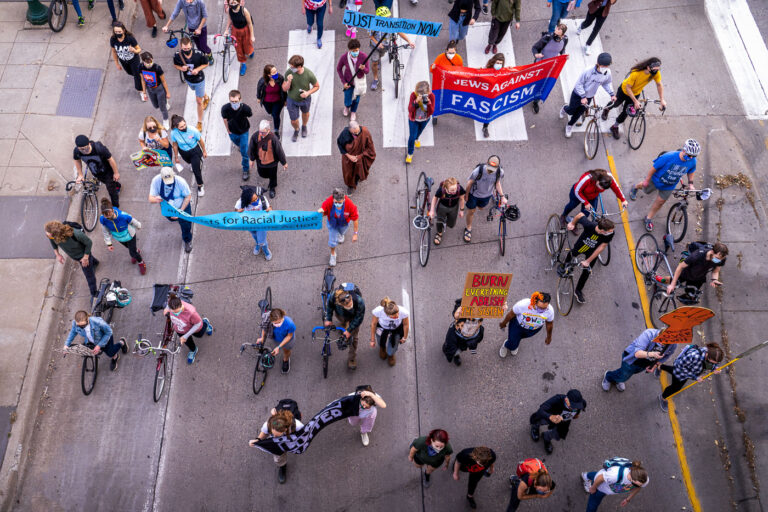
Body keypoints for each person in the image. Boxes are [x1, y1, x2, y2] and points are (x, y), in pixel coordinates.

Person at [629, 139, 700, 232]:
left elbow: (691, 171)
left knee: (660, 201)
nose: (691, 157)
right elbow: (654, 168)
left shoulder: (693, 161)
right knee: (645, 189)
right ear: (684, 150)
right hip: (656, 181)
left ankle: (648, 218)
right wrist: (647, 180)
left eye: (693, 156)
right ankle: (635, 187)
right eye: (689, 155)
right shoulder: (669, 156)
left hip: (669, 185)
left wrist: (691, 184)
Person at [603, 57, 666, 139]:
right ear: (648, 67)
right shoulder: (636, 73)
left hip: (636, 93)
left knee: (626, 112)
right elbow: (628, 88)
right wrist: (635, 101)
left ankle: (614, 127)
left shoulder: (656, 73)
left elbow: (659, 84)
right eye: (654, 69)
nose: (656, 71)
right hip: (624, 91)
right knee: (616, 103)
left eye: (658, 69)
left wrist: (662, 99)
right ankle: (606, 109)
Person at [562, 212, 615, 304]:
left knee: (587, 270)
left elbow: (601, 247)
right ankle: (564, 266)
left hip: (592, 251)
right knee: (572, 254)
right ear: (603, 231)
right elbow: (580, 215)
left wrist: (588, 261)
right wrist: (572, 223)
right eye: (610, 231)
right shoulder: (590, 225)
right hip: (581, 245)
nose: (612, 232)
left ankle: (578, 290)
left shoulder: (610, 233)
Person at [602, 328, 676, 392]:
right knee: (624, 374)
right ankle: (609, 377)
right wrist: (652, 354)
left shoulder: (673, 344)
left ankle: (619, 379)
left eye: (665, 343)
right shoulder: (649, 334)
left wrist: (654, 365)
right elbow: (637, 353)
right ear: (661, 333)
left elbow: (666, 356)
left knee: (628, 373)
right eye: (662, 340)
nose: (662, 344)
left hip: (644, 364)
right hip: (632, 360)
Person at [561, 52, 615, 138]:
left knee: (579, 113)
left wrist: (611, 94)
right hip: (578, 94)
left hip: (589, 97)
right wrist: (582, 96)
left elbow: (606, 83)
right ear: (599, 64)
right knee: (571, 110)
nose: (606, 68)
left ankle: (569, 125)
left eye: (607, 66)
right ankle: (564, 108)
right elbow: (578, 84)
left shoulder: (607, 73)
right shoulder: (588, 71)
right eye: (605, 66)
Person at [658, 342, 724, 411]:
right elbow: (680, 367)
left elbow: (710, 364)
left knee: (673, 370)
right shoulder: (693, 356)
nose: (715, 364)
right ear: (709, 357)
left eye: (717, 363)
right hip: (681, 373)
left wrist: (714, 368)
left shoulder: (709, 353)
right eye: (714, 363)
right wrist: (696, 377)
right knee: (676, 388)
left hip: (687, 371)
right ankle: (663, 397)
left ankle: (660, 367)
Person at [45, 220, 100, 299]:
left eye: (49, 235)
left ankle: (94, 293)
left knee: (89, 276)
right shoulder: (52, 236)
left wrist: (85, 257)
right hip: (75, 256)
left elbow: (89, 243)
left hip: (83, 256)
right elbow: (52, 242)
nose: (48, 236)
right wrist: (57, 254)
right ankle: (95, 263)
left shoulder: (76, 234)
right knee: (91, 262)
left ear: (57, 234)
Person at [250, 407, 304, 483]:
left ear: (286, 429)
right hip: (279, 446)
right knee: (278, 458)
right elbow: (264, 433)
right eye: (273, 434)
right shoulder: (268, 424)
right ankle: (282, 466)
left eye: (277, 436)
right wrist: (257, 440)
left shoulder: (298, 426)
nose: (274, 437)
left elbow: (303, 435)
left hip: (291, 441)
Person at [656, 242, 728, 299]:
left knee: (691, 295)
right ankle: (658, 281)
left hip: (699, 277)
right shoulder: (697, 256)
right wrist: (672, 284)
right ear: (712, 252)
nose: (718, 261)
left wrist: (714, 279)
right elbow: (680, 266)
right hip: (686, 273)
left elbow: (716, 271)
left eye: (720, 259)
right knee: (670, 281)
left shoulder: (721, 259)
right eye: (717, 258)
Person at [368, 7, 415, 91]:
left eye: (387, 16)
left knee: (381, 55)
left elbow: (399, 32)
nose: (386, 18)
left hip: (385, 46)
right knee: (374, 62)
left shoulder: (391, 23)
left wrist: (409, 41)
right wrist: (377, 43)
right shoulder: (373, 24)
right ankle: (375, 79)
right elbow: (371, 36)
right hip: (375, 46)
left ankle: (379, 60)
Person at [148, 167, 194, 252]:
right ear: (161, 177)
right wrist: (156, 199)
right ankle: (177, 220)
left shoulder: (181, 181)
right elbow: (150, 198)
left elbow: (188, 196)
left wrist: (180, 211)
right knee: (172, 219)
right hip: (168, 208)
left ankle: (187, 239)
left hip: (182, 207)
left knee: (186, 224)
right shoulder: (156, 181)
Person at [463, 155, 507, 243]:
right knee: (471, 211)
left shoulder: (500, 172)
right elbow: (469, 183)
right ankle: (468, 228)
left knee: (481, 208)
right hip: (473, 195)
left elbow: (497, 183)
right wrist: (466, 195)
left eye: (493, 168)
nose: (491, 170)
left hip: (487, 196)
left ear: (497, 167)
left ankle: (479, 206)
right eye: (490, 167)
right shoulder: (478, 171)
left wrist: (502, 196)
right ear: (487, 163)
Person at [561, 169, 626, 226]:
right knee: (571, 205)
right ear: (598, 180)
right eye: (599, 186)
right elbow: (577, 191)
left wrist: (623, 200)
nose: (600, 189)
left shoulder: (609, 178)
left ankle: (574, 223)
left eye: (603, 188)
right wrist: (586, 202)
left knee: (585, 214)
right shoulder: (587, 178)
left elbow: (616, 188)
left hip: (592, 196)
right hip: (578, 194)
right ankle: (564, 215)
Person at [529, 389, 587, 453]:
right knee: (540, 420)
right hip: (551, 415)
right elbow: (541, 410)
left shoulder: (580, 404)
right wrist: (550, 417)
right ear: (566, 400)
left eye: (577, 406)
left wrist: (577, 414)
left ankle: (546, 438)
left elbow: (580, 408)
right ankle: (535, 427)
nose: (575, 408)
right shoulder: (557, 399)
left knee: (558, 435)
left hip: (564, 421)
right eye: (573, 406)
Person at [498, 292, 554, 358]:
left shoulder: (550, 311)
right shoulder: (523, 305)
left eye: (544, 308)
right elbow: (511, 314)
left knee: (518, 338)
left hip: (533, 330)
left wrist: (549, 337)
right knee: (513, 342)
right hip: (517, 326)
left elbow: (549, 324)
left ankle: (513, 342)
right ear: (534, 302)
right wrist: (504, 323)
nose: (542, 310)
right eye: (539, 307)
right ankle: (507, 345)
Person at [324, 283, 366, 370]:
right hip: (341, 315)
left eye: (351, 303)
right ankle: (344, 325)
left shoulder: (359, 301)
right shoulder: (333, 296)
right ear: (339, 304)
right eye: (347, 306)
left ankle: (352, 358)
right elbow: (330, 307)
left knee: (353, 339)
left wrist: (349, 330)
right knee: (343, 322)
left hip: (353, 318)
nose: (350, 305)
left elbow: (359, 318)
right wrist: (328, 319)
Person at [99, 199, 146, 275]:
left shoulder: (123, 216)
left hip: (130, 236)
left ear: (113, 210)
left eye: (109, 214)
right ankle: (136, 251)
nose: (108, 217)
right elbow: (105, 232)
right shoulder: (103, 220)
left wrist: (138, 226)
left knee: (132, 252)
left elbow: (132, 221)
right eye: (105, 215)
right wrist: (109, 244)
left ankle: (141, 262)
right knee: (130, 248)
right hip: (119, 238)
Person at [164, 291, 213, 364]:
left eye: (177, 312)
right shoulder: (171, 303)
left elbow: (198, 324)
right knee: (188, 342)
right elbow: (168, 305)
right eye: (173, 312)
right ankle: (193, 350)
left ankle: (205, 323)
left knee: (199, 334)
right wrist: (166, 309)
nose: (176, 314)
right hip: (180, 329)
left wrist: (186, 336)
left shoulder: (191, 312)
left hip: (193, 327)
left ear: (181, 305)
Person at [581, 459, 649, 511]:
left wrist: (628, 499)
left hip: (607, 480)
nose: (639, 486)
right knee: (593, 505)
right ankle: (588, 481)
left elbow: (638, 487)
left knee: (602, 476)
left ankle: (586, 476)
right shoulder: (614, 475)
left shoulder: (643, 478)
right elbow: (600, 478)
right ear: (631, 480)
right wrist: (593, 488)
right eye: (636, 484)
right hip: (601, 487)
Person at [173, 38, 210, 131]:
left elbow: (206, 63)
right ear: (181, 47)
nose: (187, 50)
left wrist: (197, 69)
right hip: (188, 79)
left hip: (199, 79)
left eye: (188, 48)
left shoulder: (198, 53)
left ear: (191, 46)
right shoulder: (177, 55)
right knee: (198, 92)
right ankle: (206, 97)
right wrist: (182, 68)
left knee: (198, 101)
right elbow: (175, 65)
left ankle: (200, 122)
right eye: (184, 49)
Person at [73, 135, 121, 208]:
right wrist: (80, 174)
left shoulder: (99, 148)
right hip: (96, 172)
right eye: (81, 149)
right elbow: (77, 160)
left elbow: (110, 159)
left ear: (89, 143)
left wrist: (116, 173)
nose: (84, 151)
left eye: (86, 148)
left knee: (111, 190)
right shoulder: (77, 151)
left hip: (107, 171)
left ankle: (115, 208)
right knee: (109, 183)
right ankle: (117, 185)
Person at [530, 24, 568, 113]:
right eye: (556, 29)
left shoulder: (565, 40)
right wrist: (536, 55)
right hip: (539, 64)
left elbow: (562, 50)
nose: (555, 35)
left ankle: (536, 101)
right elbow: (535, 48)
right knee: (534, 81)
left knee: (542, 85)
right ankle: (529, 94)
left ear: (562, 36)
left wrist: (564, 56)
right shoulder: (547, 37)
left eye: (558, 34)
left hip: (550, 67)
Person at [318, 188, 359, 267]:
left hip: (344, 224)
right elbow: (323, 211)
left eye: (339, 203)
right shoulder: (329, 201)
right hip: (332, 224)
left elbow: (355, 219)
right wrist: (320, 212)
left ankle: (341, 234)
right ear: (333, 199)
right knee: (332, 242)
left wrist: (355, 234)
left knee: (342, 232)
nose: (337, 204)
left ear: (344, 199)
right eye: (336, 202)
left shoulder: (350, 205)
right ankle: (333, 255)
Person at [284, 55, 320, 142]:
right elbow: (284, 88)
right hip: (292, 100)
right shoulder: (289, 72)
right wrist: (289, 81)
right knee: (293, 120)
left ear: (299, 67)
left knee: (305, 113)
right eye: (290, 66)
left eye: (292, 67)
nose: (291, 68)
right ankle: (296, 129)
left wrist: (308, 93)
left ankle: (304, 126)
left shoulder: (309, 74)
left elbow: (316, 86)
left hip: (305, 100)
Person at [170, 114, 207, 196]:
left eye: (184, 125)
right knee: (189, 162)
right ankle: (194, 164)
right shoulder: (173, 133)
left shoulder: (193, 130)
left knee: (196, 170)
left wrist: (204, 151)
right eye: (181, 127)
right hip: (183, 152)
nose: (184, 127)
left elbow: (200, 140)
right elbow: (175, 145)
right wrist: (176, 157)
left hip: (195, 151)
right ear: (176, 127)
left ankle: (200, 186)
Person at [249, 120, 287, 196]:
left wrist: (284, 162)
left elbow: (279, 151)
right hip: (260, 161)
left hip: (272, 163)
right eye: (260, 132)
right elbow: (252, 148)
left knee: (273, 176)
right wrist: (252, 159)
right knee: (262, 174)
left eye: (263, 132)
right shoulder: (255, 137)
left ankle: (272, 187)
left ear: (268, 130)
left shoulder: (274, 139)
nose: (261, 134)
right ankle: (270, 180)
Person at [221, 89, 253, 180]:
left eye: (236, 101)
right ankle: (241, 146)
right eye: (232, 101)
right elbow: (225, 119)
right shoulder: (225, 109)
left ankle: (245, 169)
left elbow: (249, 114)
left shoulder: (246, 108)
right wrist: (228, 130)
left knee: (245, 153)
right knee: (236, 142)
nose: (234, 103)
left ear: (240, 100)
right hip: (232, 132)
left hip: (244, 132)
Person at [337, 120, 376, 193]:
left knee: (359, 171)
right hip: (348, 159)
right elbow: (340, 145)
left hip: (361, 157)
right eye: (354, 133)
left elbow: (370, 146)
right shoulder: (344, 134)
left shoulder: (364, 131)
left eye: (358, 131)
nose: (357, 134)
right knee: (348, 173)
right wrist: (349, 156)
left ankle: (356, 180)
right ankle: (350, 186)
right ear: (349, 130)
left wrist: (359, 156)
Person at [430, 40, 463, 126]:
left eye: (453, 52)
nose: (451, 54)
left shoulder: (458, 58)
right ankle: (435, 115)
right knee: (437, 98)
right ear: (446, 51)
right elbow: (432, 70)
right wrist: (433, 67)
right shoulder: (440, 57)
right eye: (450, 52)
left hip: (452, 83)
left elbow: (461, 71)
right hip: (441, 83)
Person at [235, 186, 272, 261]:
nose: (256, 201)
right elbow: (235, 210)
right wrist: (238, 211)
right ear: (247, 201)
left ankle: (265, 250)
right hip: (250, 224)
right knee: (254, 236)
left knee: (262, 241)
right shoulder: (241, 202)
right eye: (253, 201)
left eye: (256, 198)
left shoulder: (262, 199)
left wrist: (269, 210)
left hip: (261, 224)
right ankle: (258, 244)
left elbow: (270, 208)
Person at [369, 297, 409, 367]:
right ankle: (382, 348)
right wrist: (372, 340)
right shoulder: (378, 311)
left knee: (394, 345)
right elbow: (373, 324)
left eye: (397, 314)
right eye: (394, 317)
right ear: (386, 314)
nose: (397, 316)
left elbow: (406, 325)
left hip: (396, 329)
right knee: (380, 341)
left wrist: (404, 337)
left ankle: (390, 354)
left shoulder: (403, 312)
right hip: (382, 329)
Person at [336, 38, 369, 121]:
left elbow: (367, 71)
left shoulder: (364, 56)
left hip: (359, 82)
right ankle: (347, 107)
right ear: (349, 50)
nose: (355, 52)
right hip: (348, 82)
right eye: (353, 51)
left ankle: (353, 111)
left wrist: (363, 68)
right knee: (347, 97)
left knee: (356, 99)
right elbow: (339, 69)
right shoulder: (344, 57)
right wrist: (343, 82)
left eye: (357, 50)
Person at [110, 22, 143, 98]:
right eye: (116, 32)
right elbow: (114, 51)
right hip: (123, 61)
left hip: (133, 59)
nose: (118, 33)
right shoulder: (113, 39)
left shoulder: (130, 38)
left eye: (119, 32)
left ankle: (141, 91)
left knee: (136, 75)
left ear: (124, 30)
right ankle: (141, 75)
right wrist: (116, 63)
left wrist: (134, 50)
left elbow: (139, 49)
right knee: (129, 72)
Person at [480, 53, 510, 137]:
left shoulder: (503, 71)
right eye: (498, 63)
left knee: (489, 111)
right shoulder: (487, 70)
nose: (499, 65)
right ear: (493, 62)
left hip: (494, 95)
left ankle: (485, 127)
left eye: (501, 63)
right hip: (485, 93)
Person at [429, 177, 465, 245]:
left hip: (454, 207)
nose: (454, 191)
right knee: (439, 221)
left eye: (455, 189)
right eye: (452, 190)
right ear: (446, 188)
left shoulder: (460, 189)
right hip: (442, 207)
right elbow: (435, 198)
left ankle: (446, 223)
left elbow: (462, 199)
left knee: (451, 224)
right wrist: (432, 210)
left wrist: (461, 210)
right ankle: (439, 233)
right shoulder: (441, 190)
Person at [256, 308, 295, 372]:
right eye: (275, 323)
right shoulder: (267, 321)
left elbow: (289, 336)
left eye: (279, 322)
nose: (278, 325)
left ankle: (286, 360)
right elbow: (264, 328)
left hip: (287, 340)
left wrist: (279, 347)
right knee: (282, 348)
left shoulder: (290, 324)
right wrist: (262, 337)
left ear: (282, 317)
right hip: (276, 339)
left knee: (286, 351)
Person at [139, 52, 171, 129]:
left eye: (150, 61)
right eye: (147, 62)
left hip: (159, 89)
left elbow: (163, 81)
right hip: (150, 89)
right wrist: (144, 93)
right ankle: (165, 102)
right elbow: (143, 80)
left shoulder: (157, 68)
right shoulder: (141, 67)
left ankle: (166, 120)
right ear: (143, 61)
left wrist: (167, 92)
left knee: (162, 108)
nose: (149, 64)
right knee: (156, 106)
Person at [406, 81, 435, 163]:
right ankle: (410, 153)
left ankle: (417, 138)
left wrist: (429, 103)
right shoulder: (413, 95)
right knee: (412, 137)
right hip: (414, 120)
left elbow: (431, 111)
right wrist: (416, 102)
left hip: (425, 119)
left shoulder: (431, 96)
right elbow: (410, 110)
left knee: (419, 132)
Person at [225, 0, 255, 76]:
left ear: (238, 2)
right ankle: (243, 64)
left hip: (245, 31)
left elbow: (250, 24)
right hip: (235, 31)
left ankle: (250, 51)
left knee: (247, 47)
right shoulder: (229, 10)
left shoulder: (244, 11)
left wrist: (252, 35)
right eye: (231, 3)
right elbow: (229, 20)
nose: (233, 4)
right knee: (238, 49)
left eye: (234, 2)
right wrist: (226, 30)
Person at [257, 65, 287, 138]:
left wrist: (285, 100)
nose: (276, 73)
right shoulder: (262, 81)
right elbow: (258, 89)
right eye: (274, 72)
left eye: (276, 71)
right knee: (269, 111)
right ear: (268, 75)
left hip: (278, 101)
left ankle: (276, 130)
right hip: (267, 101)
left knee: (275, 115)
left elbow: (284, 90)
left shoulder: (280, 78)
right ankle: (271, 113)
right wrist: (258, 97)